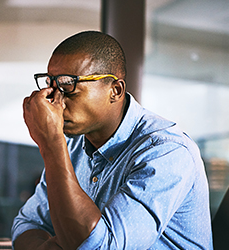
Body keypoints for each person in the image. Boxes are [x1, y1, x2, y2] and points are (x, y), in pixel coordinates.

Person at [11, 30, 213, 249]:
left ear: (115, 90)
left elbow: (102, 247)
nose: (55, 103)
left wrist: (51, 143)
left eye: (69, 87)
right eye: (51, 87)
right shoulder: (72, 145)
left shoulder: (168, 152)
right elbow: (27, 224)